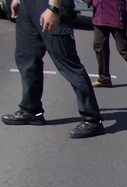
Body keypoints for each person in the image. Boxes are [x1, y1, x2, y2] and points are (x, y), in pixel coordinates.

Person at [1, 0, 105, 138]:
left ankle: (92, 119)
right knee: (27, 58)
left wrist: (54, 8)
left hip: (52, 5)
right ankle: (31, 110)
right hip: (29, 6)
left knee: (68, 64)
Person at [89, 0, 127, 91]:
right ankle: (104, 78)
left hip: (116, 15)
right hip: (99, 15)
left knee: (124, 49)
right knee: (99, 46)